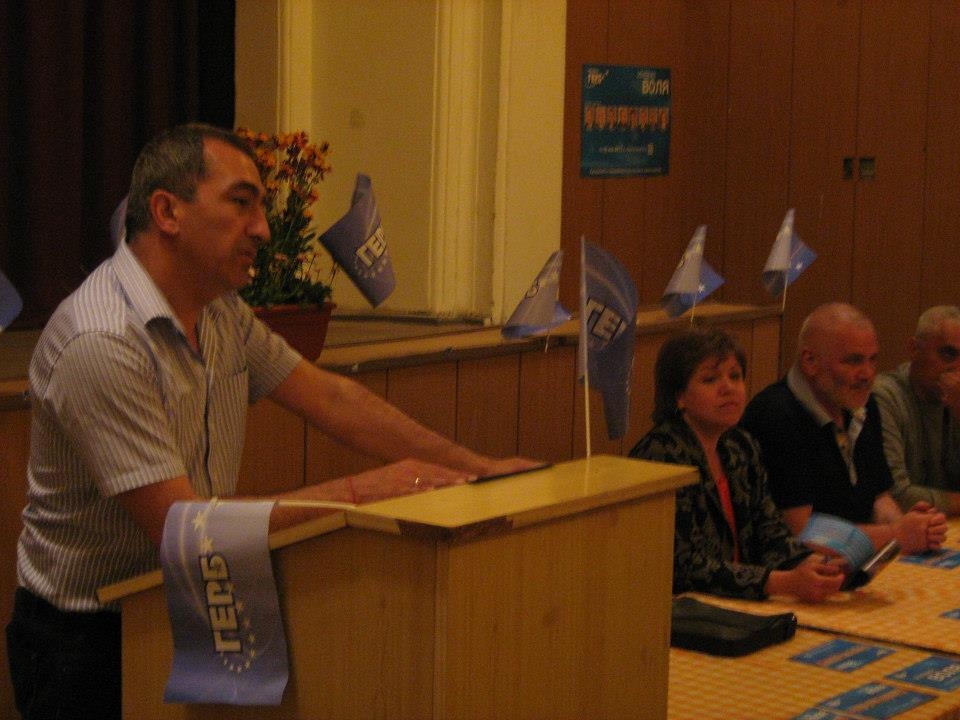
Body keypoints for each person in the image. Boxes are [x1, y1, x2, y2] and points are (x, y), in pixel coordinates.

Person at [5, 123, 537, 720]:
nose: (262, 228)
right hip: (88, 641)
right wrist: (361, 494)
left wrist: (476, 468)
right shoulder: (101, 339)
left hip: (184, 603)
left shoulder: (220, 311)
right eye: (242, 203)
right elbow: (180, 525)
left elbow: (331, 399)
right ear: (167, 211)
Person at [629, 327, 844, 602]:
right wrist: (781, 582)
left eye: (735, 376)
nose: (728, 388)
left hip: (741, 601)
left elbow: (770, 532)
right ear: (679, 397)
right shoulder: (661, 456)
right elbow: (683, 567)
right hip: (680, 609)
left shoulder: (741, 445)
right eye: (710, 379)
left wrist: (815, 563)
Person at [741, 302, 947, 556]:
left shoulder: (862, 404)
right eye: (853, 361)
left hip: (855, 559)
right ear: (810, 362)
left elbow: (878, 498)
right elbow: (799, 532)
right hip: (803, 568)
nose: (867, 374)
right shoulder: (775, 415)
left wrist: (912, 525)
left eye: (873, 360)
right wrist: (896, 534)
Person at [874, 306, 960, 514]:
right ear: (914, 349)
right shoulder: (884, 397)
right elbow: (895, 494)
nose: (958, 368)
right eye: (949, 354)